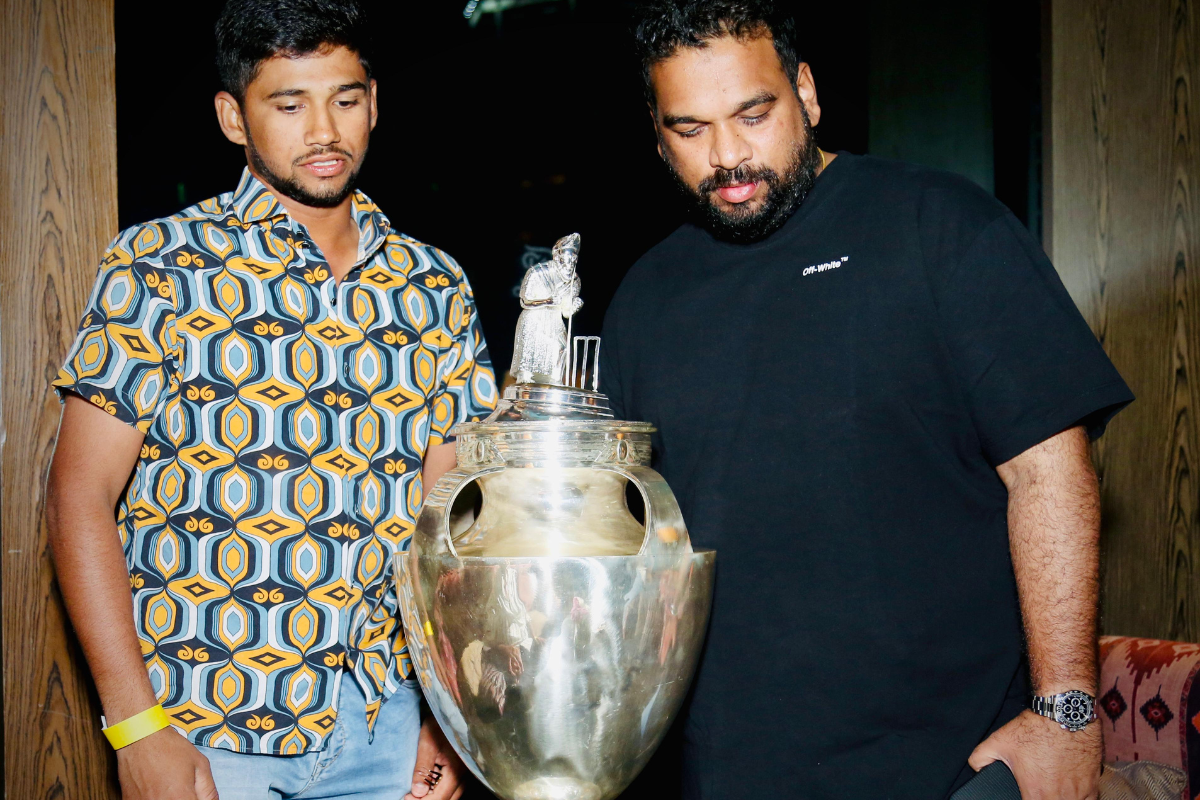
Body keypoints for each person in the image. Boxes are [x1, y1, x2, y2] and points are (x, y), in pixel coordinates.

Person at [602, 2, 1134, 798]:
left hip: (957, 764)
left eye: (754, 113)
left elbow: (1049, 474)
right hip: (727, 771)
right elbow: (627, 541)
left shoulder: (941, 227)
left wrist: (1065, 711)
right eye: (690, 129)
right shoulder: (643, 298)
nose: (728, 155)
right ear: (656, 136)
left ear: (807, 94)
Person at [45, 2, 496, 798]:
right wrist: (135, 728)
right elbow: (78, 498)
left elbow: (450, 519)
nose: (324, 129)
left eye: (345, 99)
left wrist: (445, 708)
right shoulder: (161, 265)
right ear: (232, 116)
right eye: (289, 104)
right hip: (203, 731)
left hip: (381, 727)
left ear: (375, 103)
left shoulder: (435, 286)